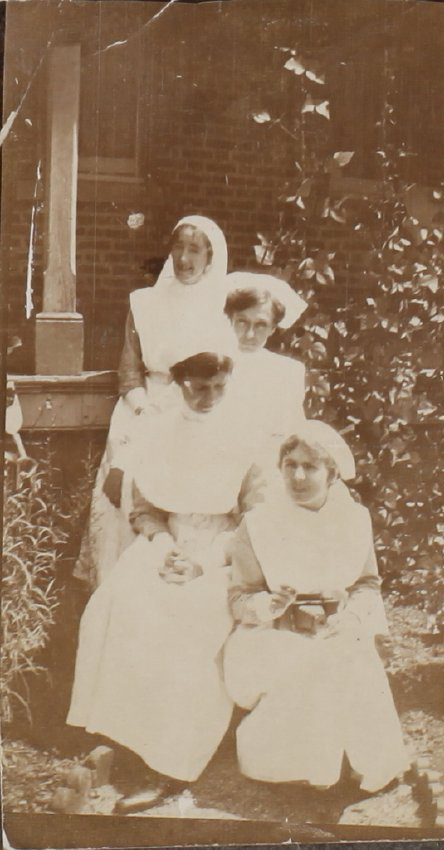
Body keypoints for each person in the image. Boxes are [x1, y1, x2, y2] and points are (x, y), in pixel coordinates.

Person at [67, 333, 263, 814]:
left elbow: (255, 520)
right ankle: (122, 739)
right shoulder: (161, 431)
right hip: (167, 545)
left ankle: (170, 763)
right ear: (179, 384)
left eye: (219, 386)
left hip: (224, 554)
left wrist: (205, 561)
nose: (209, 397)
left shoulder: (247, 433)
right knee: (118, 603)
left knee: (188, 622)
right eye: (199, 387)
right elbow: (144, 509)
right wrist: (164, 546)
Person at [224, 420, 410, 794]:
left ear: (332, 473)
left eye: (310, 467)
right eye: (290, 465)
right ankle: (295, 771)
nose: (297, 476)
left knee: (349, 656)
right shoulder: (257, 524)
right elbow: (238, 599)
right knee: (310, 664)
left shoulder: (354, 519)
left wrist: (353, 616)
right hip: (270, 634)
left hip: (335, 628)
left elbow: (367, 583)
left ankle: (353, 763)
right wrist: (269, 604)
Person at [74, 215, 232, 590]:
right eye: (178, 247)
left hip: (195, 411)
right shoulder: (145, 303)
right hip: (141, 408)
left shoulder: (220, 308)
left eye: (194, 250)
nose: (184, 258)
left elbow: (220, 376)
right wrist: (145, 411)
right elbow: (129, 370)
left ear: (210, 257)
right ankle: (115, 589)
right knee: (125, 496)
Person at [223, 271, 308, 463]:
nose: (250, 334)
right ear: (230, 320)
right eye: (242, 322)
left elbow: (291, 431)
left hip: (265, 464)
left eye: (261, 325)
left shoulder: (287, 372)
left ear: (273, 329)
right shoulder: (211, 363)